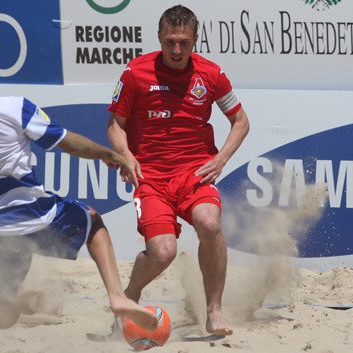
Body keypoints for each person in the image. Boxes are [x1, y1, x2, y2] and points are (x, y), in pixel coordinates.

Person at [0, 34, 158, 334]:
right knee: (93, 222)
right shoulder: (15, 107)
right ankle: (116, 296)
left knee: (5, 317)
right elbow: (68, 143)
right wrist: (109, 154)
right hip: (32, 217)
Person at [106, 5, 250, 336]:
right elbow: (115, 123)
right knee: (163, 252)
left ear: (195, 40)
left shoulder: (211, 74)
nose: (176, 50)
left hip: (194, 173)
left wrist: (222, 158)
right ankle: (130, 294)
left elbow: (240, 121)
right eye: (170, 41)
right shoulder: (135, 72)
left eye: (184, 42)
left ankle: (214, 309)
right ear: (159, 37)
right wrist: (126, 154)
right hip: (152, 178)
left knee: (209, 223)